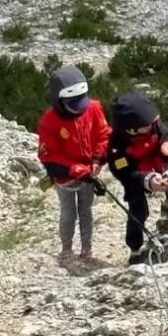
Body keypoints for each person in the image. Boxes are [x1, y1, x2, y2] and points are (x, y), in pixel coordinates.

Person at [36, 65, 110, 262]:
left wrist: (98, 159)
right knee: (68, 212)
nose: (80, 108)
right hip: (65, 177)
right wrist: (77, 170)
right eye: (73, 104)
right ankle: (66, 249)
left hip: (89, 173)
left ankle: (87, 249)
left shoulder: (93, 108)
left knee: (86, 211)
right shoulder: (49, 122)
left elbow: (103, 135)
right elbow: (49, 156)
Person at [106, 90, 168, 265]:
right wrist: (148, 180)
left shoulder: (155, 125)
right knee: (138, 210)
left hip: (155, 159)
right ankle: (135, 250)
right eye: (146, 124)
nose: (152, 124)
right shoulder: (116, 146)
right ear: (131, 128)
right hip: (136, 173)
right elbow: (125, 174)